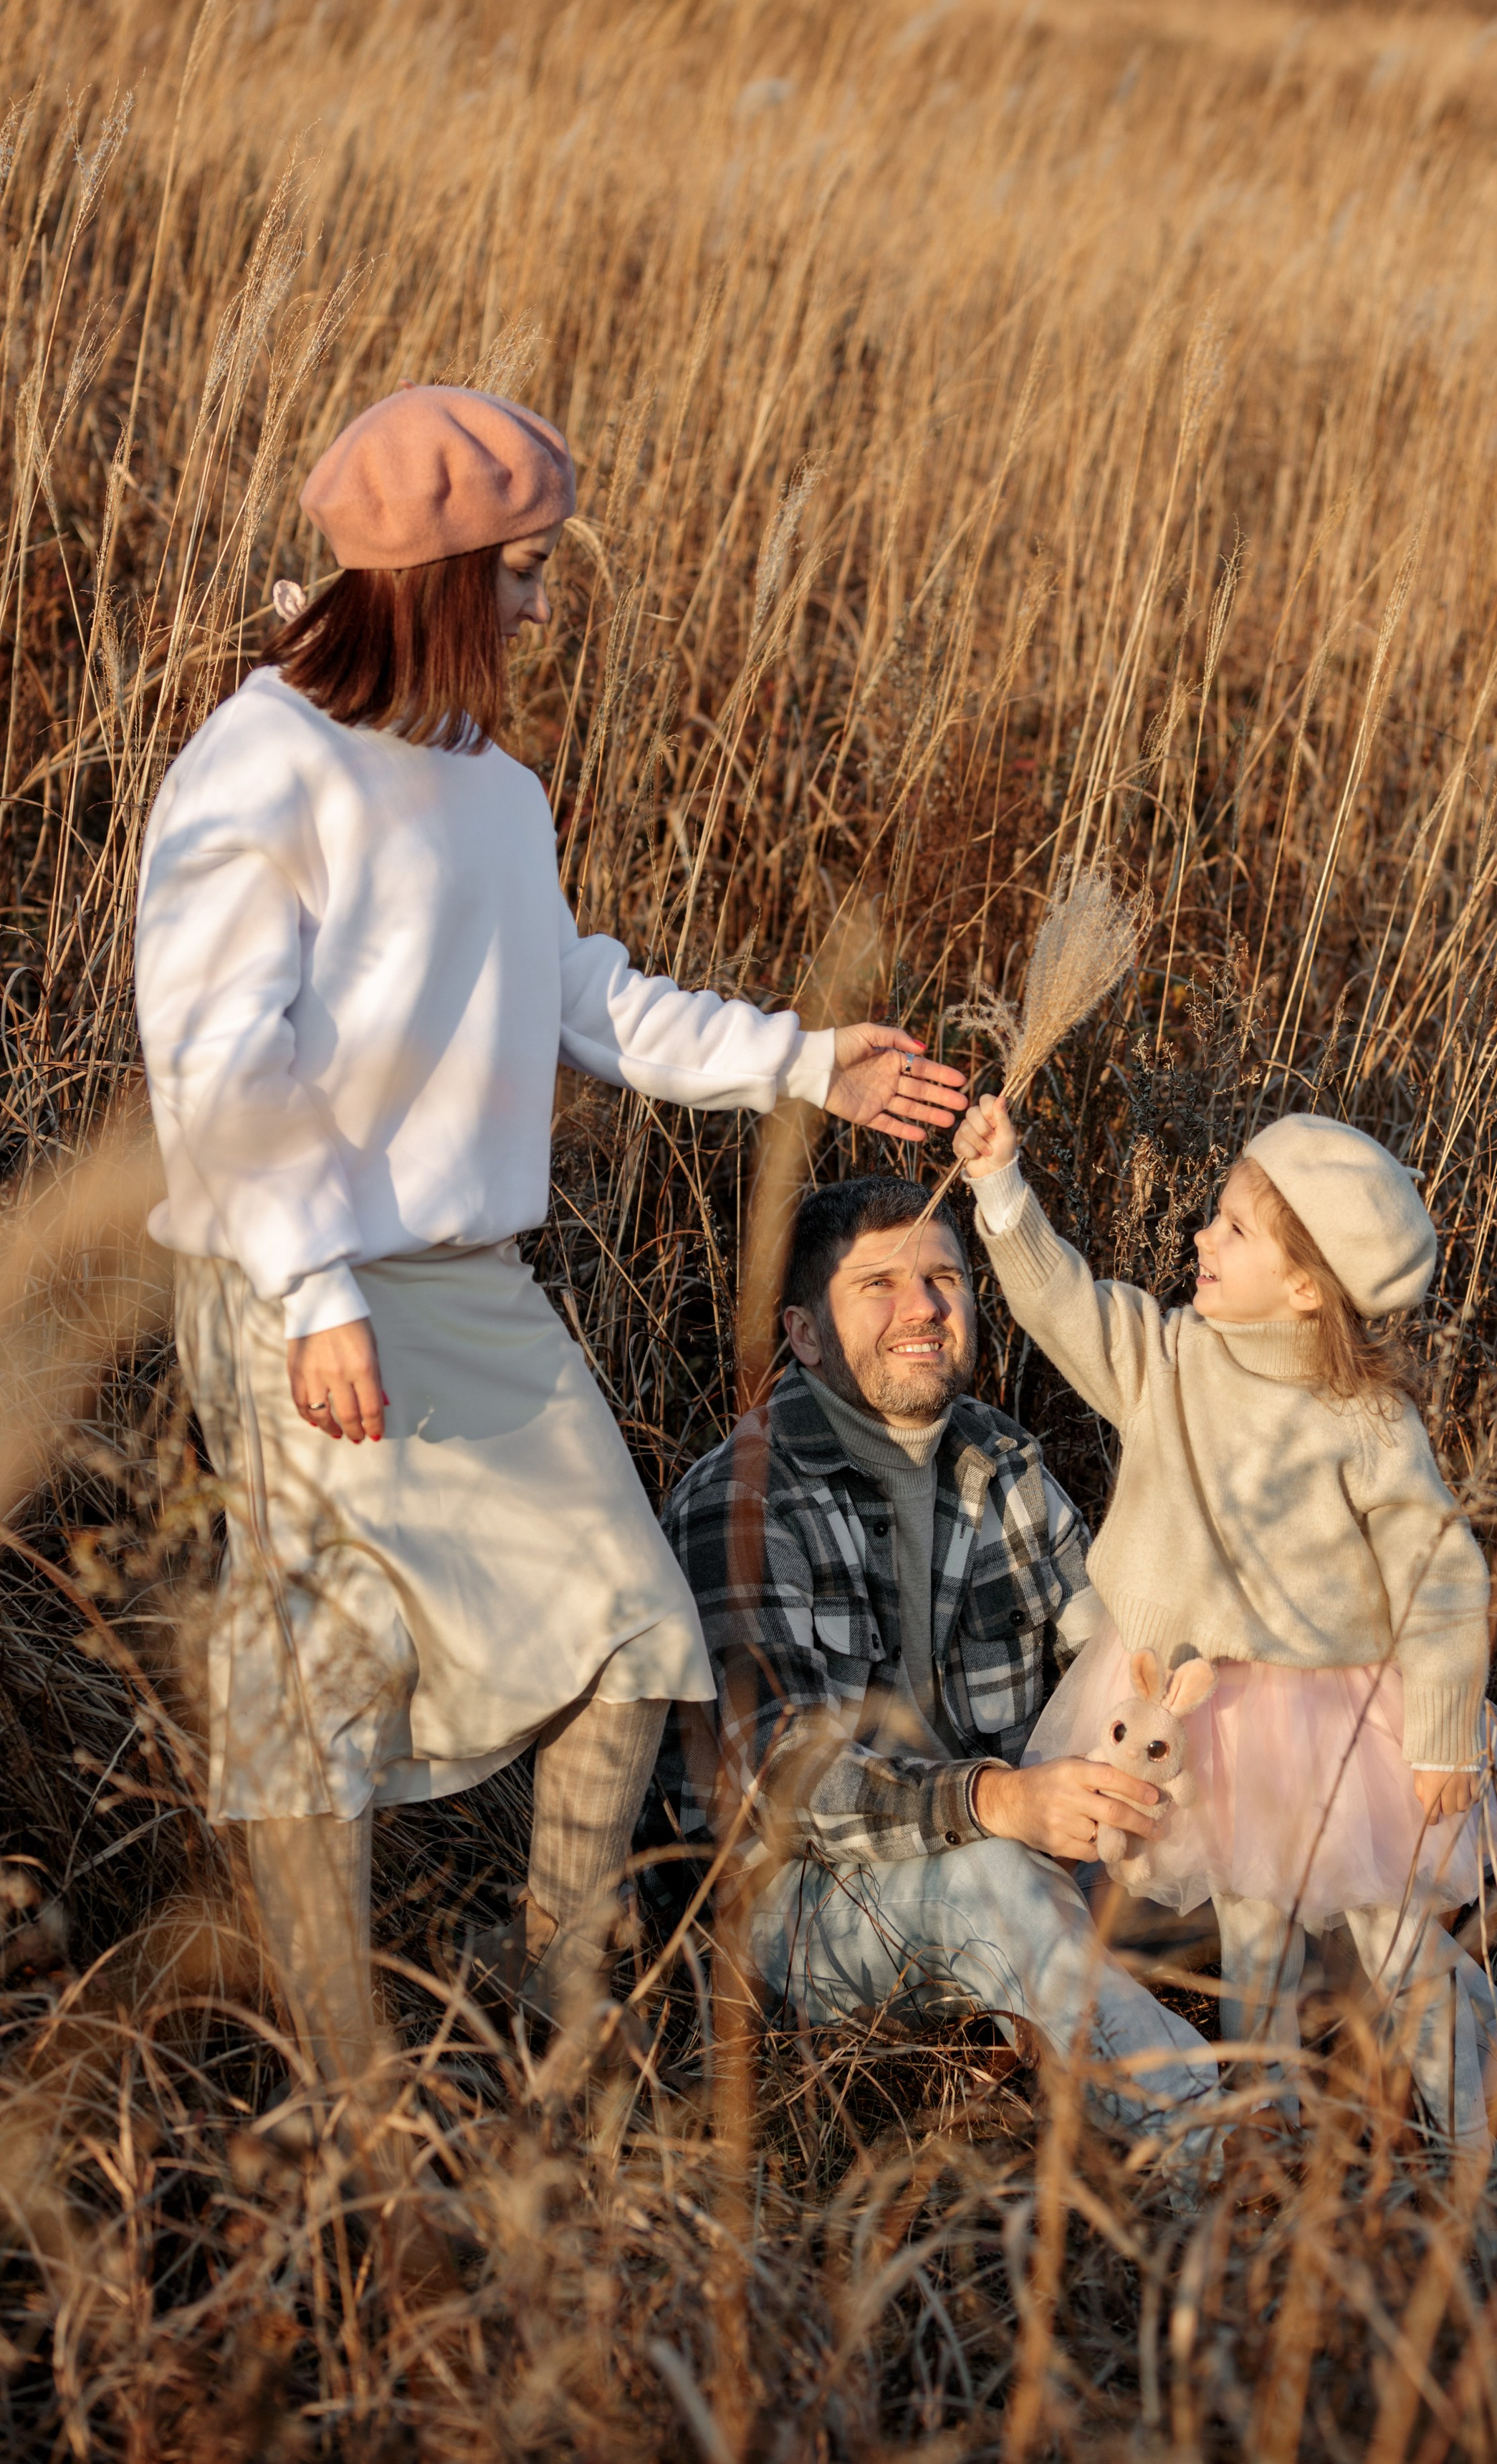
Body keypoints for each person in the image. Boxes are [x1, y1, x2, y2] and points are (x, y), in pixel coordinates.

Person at [134, 383, 966, 2081]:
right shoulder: (262, 764)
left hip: (479, 1296)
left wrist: (803, 1060)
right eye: (513, 570)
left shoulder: (490, 787)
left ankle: (553, 2006)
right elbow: (218, 1055)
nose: (535, 602)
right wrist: (309, 1291)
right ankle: (338, 2081)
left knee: (632, 1632)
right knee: (326, 1683)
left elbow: (579, 994)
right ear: (426, 573)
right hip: (314, 1294)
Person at [952, 1096, 1497, 2160]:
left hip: (1340, 1724)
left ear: (1310, 1285)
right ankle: (1262, 2146)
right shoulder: (1171, 1358)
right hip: (1203, 1708)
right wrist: (1002, 1191)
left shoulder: (1368, 1421)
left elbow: (1442, 1572)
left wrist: (1446, 1729)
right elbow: (1066, 1304)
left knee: (1400, 1939)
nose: (1199, 1237)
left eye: (1233, 1228)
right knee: (1253, 1944)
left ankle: (1476, 2150)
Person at [661, 1175, 1222, 2158]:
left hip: (1025, 1858)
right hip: (806, 1917)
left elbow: (1112, 1651)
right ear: (803, 1332)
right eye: (878, 1284)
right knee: (995, 1878)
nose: (924, 1306)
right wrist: (998, 1802)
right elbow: (779, 1776)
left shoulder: (999, 1459)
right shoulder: (741, 1501)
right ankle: (1215, 2150)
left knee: (1269, 1826)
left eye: (945, 1279)